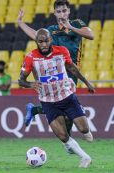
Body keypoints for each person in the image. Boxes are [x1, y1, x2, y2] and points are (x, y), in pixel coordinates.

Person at [18, 28, 94, 168]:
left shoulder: (62, 51)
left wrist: (86, 82)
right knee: (63, 136)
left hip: (66, 96)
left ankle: (84, 129)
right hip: (48, 101)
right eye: (40, 41)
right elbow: (21, 80)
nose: (44, 44)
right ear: (36, 42)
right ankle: (85, 158)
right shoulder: (31, 57)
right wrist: (31, 84)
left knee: (84, 130)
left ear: (51, 40)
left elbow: (72, 68)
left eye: (46, 40)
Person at [17, 0, 94, 136]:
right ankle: (69, 140)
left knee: (64, 108)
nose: (62, 14)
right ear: (55, 13)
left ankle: (35, 111)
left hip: (71, 70)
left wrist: (71, 27)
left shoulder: (76, 23)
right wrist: (21, 23)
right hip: (57, 72)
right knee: (62, 105)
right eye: (59, 11)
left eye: (64, 11)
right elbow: (36, 35)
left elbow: (90, 35)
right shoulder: (51, 30)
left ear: (69, 11)